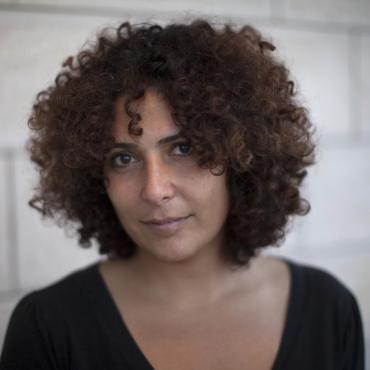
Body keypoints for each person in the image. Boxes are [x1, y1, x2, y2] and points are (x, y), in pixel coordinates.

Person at [0, 18, 365, 370]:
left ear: (242, 159)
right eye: (123, 158)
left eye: (184, 149)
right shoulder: (48, 328)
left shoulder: (328, 309)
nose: (155, 190)